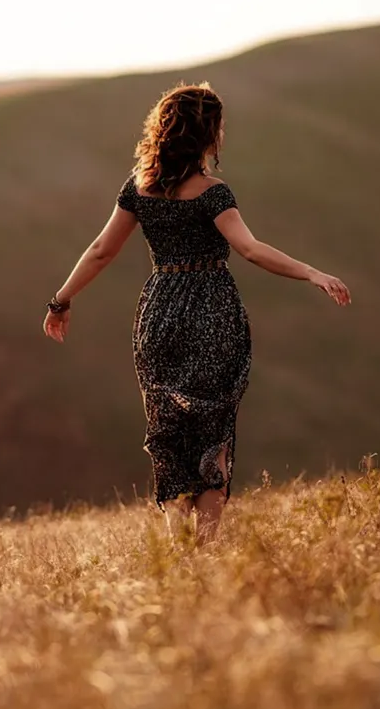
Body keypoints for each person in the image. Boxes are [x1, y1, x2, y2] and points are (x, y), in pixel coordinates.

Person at [42, 82, 351, 544]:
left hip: (159, 315)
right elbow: (249, 249)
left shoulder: (138, 188)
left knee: (167, 426)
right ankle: (204, 550)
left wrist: (60, 300)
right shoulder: (212, 192)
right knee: (212, 429)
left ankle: (176, 543)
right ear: (207, 134)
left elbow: (101, 250)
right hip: (211, 311)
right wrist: (311, 272)